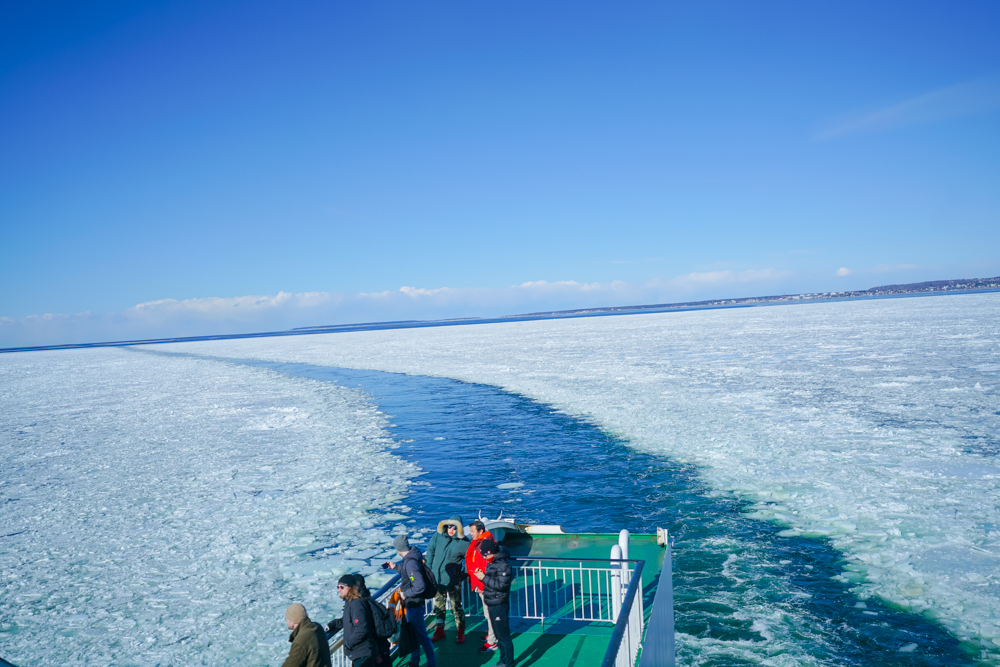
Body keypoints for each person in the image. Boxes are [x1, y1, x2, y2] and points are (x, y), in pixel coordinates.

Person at [384, 535, 437, 667]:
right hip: (413, 603)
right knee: (416, 634)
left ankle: (431, 663)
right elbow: (408, 573)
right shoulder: (411, 558)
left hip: (414, 604)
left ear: (398, 548)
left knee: (422, 636)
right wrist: (396, 566)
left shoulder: (411, 561)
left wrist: (405, 595)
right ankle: (414, 662)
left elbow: (419, 585)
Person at [425, 514, 469, 644]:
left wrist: (462, 575)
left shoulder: (464, 542)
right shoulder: (438, 536)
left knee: (456, 607)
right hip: (437, 580)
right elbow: (430, 550)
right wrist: (428, 569)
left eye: (455, 528)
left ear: (459, 529)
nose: (451, 530)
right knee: (439, 607)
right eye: (450, 526)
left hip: (453, 581)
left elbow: (470, 561)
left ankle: (460, 632)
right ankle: (440, 631)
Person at [325, 575, 378, 666]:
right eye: (338, 587)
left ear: (350, 588)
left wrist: (348, 643)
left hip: (362, 653)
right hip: (359, 653)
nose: (339, 590)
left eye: (342, 587)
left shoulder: (356, 604)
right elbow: (347, 620)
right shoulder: (350, 602)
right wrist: (333, 624)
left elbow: (361, 629)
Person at [478, 538, 514, 667]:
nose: (483, 557)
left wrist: (483, 578)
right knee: (499, 636)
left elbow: (501, 585)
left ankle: (508, 663)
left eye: (484, 554)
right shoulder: (495, 562)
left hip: (499, 604)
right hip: (493, 602)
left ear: (490, 552)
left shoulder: (503, 564)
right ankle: (503, 661)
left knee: (504, 637)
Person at [466, 520, 497, 652]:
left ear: (480, 531)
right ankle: (492, 634)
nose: (471, 534)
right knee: (487, 612)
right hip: (481, 583)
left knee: (489, 612)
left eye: (473, 531)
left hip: (484, 584)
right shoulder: (481, 542)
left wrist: (481, 585)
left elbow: (484, 567)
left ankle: (492, 641)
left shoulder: (484, 545)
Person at [281, 603, 332, 667]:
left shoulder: (301, 641)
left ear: (293, 620)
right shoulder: (317, 627)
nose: (286, 621)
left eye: (287, 618)